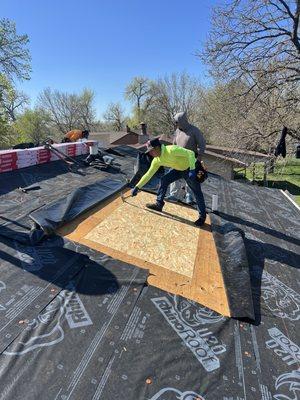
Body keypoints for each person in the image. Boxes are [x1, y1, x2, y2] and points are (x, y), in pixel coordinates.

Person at [131, 138, 206, 226]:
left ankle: (202, 217)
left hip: (190, 168)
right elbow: (148, 174)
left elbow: (191, 153)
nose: (150, 154)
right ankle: (159, 204)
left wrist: (192, 169)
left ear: (157, 148)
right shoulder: (157, 160)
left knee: (197, 192)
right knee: (164, 180)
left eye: (151, 151)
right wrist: (137, 187)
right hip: (178, 169)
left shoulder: (171, 150)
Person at [169, 112, 206, 204]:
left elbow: (202, 144)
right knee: (174, 176)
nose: (176, 124)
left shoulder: (194, 130)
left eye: (177, 122)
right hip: (178, 158)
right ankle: (173, 194)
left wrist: (199, 157)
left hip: (191, 159)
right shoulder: (178, 131)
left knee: (191, 178)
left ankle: (189, 196)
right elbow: (174, 143)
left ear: (182, 121)